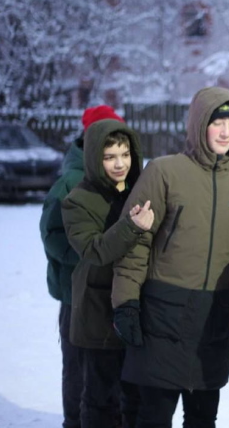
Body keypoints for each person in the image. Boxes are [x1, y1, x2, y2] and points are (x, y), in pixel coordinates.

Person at [111, 88, 229, 428]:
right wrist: (126, 303)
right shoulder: (164, 172)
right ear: (198, 124)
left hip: (215, 317)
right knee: (153, 415)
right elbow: (134, 245)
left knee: (203, 416)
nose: (225, 132)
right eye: (217, 122)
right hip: (163, 312)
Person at [39, 104, 124, 428]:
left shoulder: (121, 177)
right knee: (79, 368)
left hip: (109, 295)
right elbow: (52, 235)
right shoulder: (71, 181)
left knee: (106, 370)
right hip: (76, 295)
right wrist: (89, 256)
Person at [61, 119, 147, 428]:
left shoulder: (141, 190)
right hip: (97, 314)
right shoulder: (77, 200)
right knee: (100, 400)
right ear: (95, 158)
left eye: (125, 154)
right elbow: (94, 250)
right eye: (109, 156)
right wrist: (131, 227)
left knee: (135, 399)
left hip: (138, 310)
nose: (119, 163)